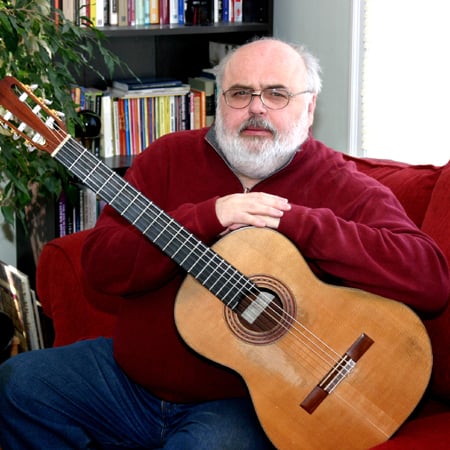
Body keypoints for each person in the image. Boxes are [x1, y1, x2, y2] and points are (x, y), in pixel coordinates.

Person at [0, 37, 448, 450]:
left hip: (243, 404)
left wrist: (293, 221)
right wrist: (206, 217)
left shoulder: (341, 184)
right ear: (218, 102)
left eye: (276, 94)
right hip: (130, 383)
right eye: (240, 93)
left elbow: (429, 278)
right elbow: (100, 266)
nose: (256, 108)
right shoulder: (167, 157)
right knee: (20, 383)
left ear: (309, 107)